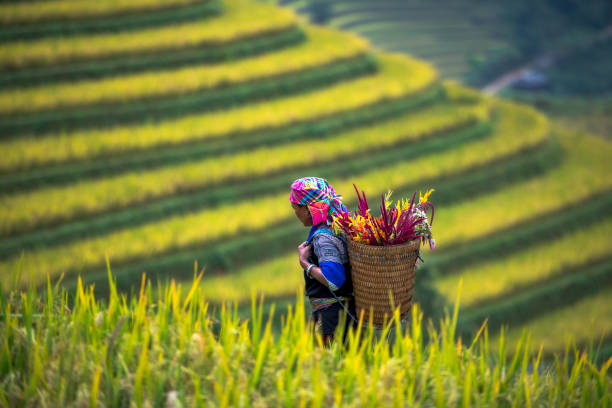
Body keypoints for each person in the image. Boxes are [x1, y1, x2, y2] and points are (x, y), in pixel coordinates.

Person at [289, 177, 357, 345]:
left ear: (307, 209)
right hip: (346, 316)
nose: (295, 213)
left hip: (334, 321)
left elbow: (334, 280)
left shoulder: (323, 237)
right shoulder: (336, 224)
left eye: (295, 208)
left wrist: (305, 263)